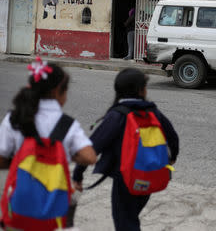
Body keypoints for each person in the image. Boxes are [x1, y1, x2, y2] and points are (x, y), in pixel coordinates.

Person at [72, 68, 179, 231]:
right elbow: (173, 138)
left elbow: (93, 147)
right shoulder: (153, 112)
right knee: (131, 219)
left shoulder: (117, 115)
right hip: (149, 178)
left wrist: (78, 175)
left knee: (126, 223)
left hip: (126, 181)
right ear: (141, 90)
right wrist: (172, 159)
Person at [0, 57, 96, 171]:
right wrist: (64, 156)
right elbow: (89, 157)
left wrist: (24, 161)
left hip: (21, 187)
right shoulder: (67, 124)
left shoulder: (14, 119)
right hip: (54, 188)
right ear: (57, 91)